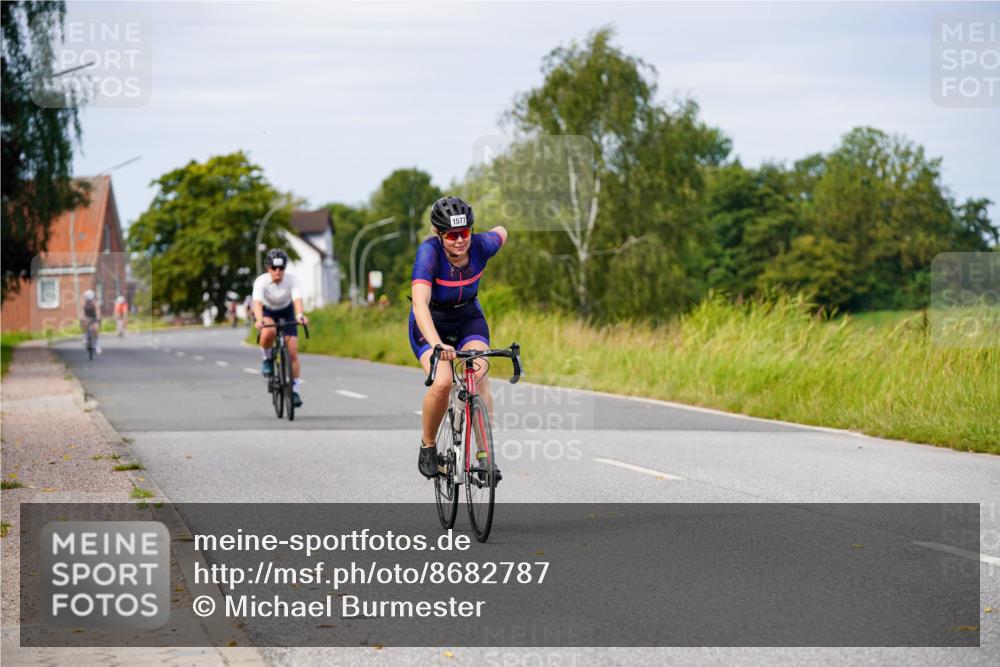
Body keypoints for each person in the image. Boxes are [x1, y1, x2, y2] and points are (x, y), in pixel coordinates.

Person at [410, 196, 507, 481]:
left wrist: (499, 231)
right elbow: (419, 305)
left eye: (464, 233)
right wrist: (437, 343)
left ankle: (484, 455)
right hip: (430, 322)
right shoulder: (429, 253)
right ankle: (428, 446)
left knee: (478, 373)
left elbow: (502, 231)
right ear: (438, 234)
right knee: (442, 382)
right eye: (451, 235)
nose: (459, 240)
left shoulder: (481, 245)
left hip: (467, 317)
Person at [252, 249, 308, 407]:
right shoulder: (261, 281)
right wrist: (259, 320)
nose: (278, 271)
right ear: (268, 268)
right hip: (267, 311)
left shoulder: (292, 280)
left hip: (287, 311)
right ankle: (267, 359)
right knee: (268, 331)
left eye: (281, 268)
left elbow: (297, 299)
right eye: (274, 268)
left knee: (293, 353)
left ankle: (295, 390)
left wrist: (300, 315)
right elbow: (257, 303)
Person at [81, 289, 101, 354]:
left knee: (95, 329)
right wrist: (83, 318)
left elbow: (98, 312)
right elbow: (82, 311)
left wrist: (98, 319)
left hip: (94, 316)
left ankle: (96, 344)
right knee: (84, 323)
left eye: (90, 300)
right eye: (88, 300)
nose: (89, 301)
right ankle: (85, 336)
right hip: (87, 316)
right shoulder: (84, 302)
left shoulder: (95, 303)